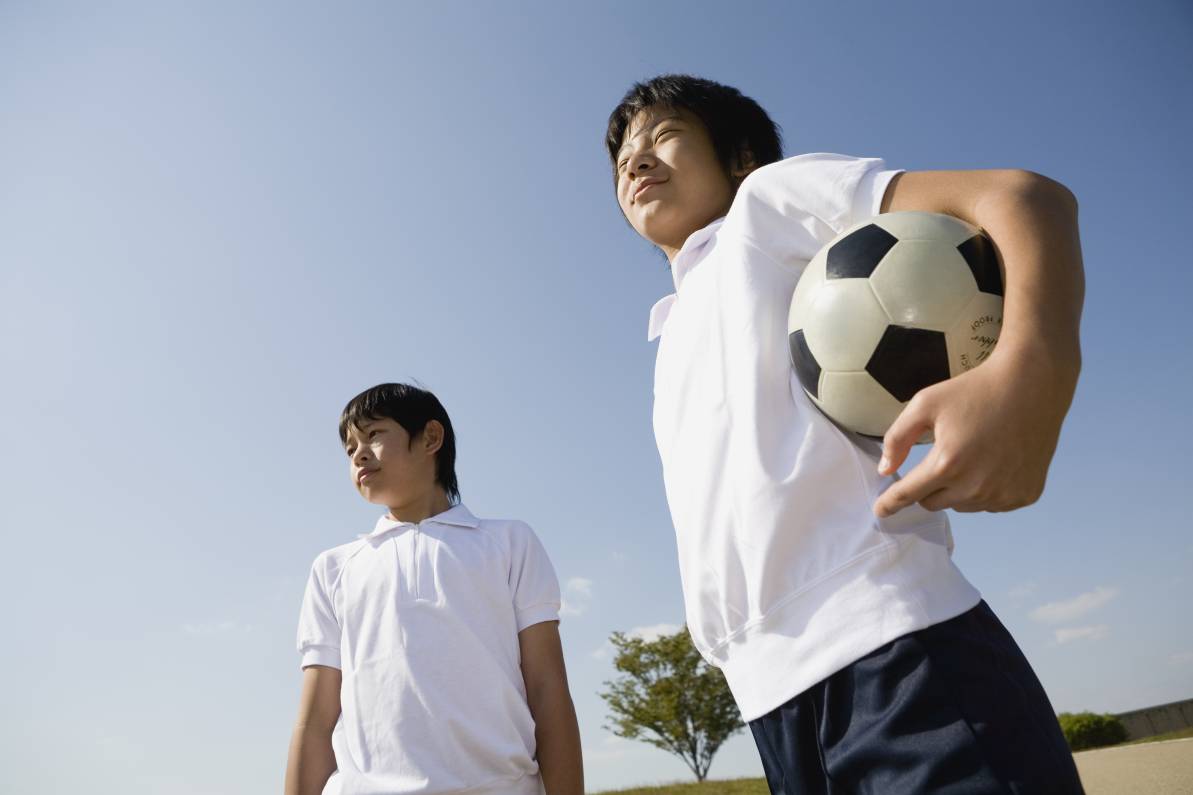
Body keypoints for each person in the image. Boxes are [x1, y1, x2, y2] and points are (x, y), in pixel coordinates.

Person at [605, 74, 1085, 793]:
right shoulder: (670, 324)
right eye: (622, 159)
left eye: (663, 136)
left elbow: (1023, 197)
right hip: (770, 703)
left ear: (740, 157)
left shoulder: (764, 207)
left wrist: (1031, 372)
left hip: (895, 655)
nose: (636, 162)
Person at [284, 383, 583, 795]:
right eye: (349, 447)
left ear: (431, 438)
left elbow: (548, 688)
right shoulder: (333, 568)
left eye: (373, 434)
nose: (358, 453)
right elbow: (315, 718)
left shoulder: (509, 542)